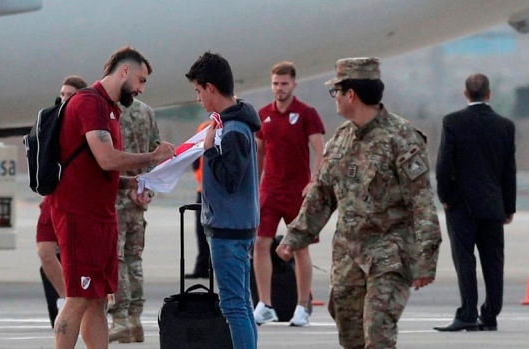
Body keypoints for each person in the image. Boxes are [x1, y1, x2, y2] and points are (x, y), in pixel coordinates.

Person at [276, 57, 442, 349]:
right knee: (350, 335)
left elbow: (422, 203)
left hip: (390, 254)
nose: (335, 99)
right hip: (348, 256)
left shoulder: (402, 138)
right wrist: (295, 236)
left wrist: (426, 259)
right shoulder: (340, 141)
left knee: (378, 330)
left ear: (350, 94)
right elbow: (322, 195)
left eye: (336, 92)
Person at [50, 46, 174, 349]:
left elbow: (99, 169)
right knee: (78, 298)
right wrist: (153, 157)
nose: (142, 89)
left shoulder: (110, 109)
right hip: (80, 214)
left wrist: (132, 182)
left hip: (102, 214)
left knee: (97, 301)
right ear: (125, 71)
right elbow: (106, 158)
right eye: (142, 80)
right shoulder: (89, 103)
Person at [185, 51, 261, 349]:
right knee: (241, 303)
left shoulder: (232, 131)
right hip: (237, 226)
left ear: (210, 88)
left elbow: (232, 180)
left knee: (234, 308)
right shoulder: (234, 124)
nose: (198, 99)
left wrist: (209, 150)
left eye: (198, 91)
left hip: (229, 230)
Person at [434, 73, 516, 332]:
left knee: (465, 259)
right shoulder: (505, 125)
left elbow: (443, 165)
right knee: (493, 261)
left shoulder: (453, 122)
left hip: (462, 205)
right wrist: (509, 206)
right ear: (489, 94)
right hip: (493, 205)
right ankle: (490, 314)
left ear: (465, 94)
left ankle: (467, 312)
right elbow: (508, 170)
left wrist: (445, 198)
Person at [252, 61, 325, 327]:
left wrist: (314, 180)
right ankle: (265, 304)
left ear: (293, 84)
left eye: (284, 84)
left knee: (299, 247)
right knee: (261, 243)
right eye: (275, 84)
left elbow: (320, 148)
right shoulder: (263, 114)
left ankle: (302, 305)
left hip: (297, 189)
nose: (279, 88)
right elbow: (259, 151)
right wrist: (254, 182)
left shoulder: (306, 113)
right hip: (270, 188)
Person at [107, 98, 160, 343]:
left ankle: (120, 319)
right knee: (134, 258)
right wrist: (147, 188)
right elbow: (156, 153)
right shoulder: (146, 111)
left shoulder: (110, 111)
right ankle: (135, 319)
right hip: (140, 198)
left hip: (117, 195)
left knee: (115, 259)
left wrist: (129, 186)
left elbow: (110, 155)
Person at [36, 75, 87, 323]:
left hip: (76, 195)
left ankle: (73, 305)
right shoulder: (50, 120)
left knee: (73, 255)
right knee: (45, 251)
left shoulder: (87, 122)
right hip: (52, 194)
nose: (64, 98)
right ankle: (66, 298)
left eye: (70, 95)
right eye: (62, 94)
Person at [185, 120, 211, 279]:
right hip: (203, 189)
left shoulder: (234, 125)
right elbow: (195, 156)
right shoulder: (204, 127)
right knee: (201, 232)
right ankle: (201, 267)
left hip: (220, 193)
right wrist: (199, 178)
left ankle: (214, 267)